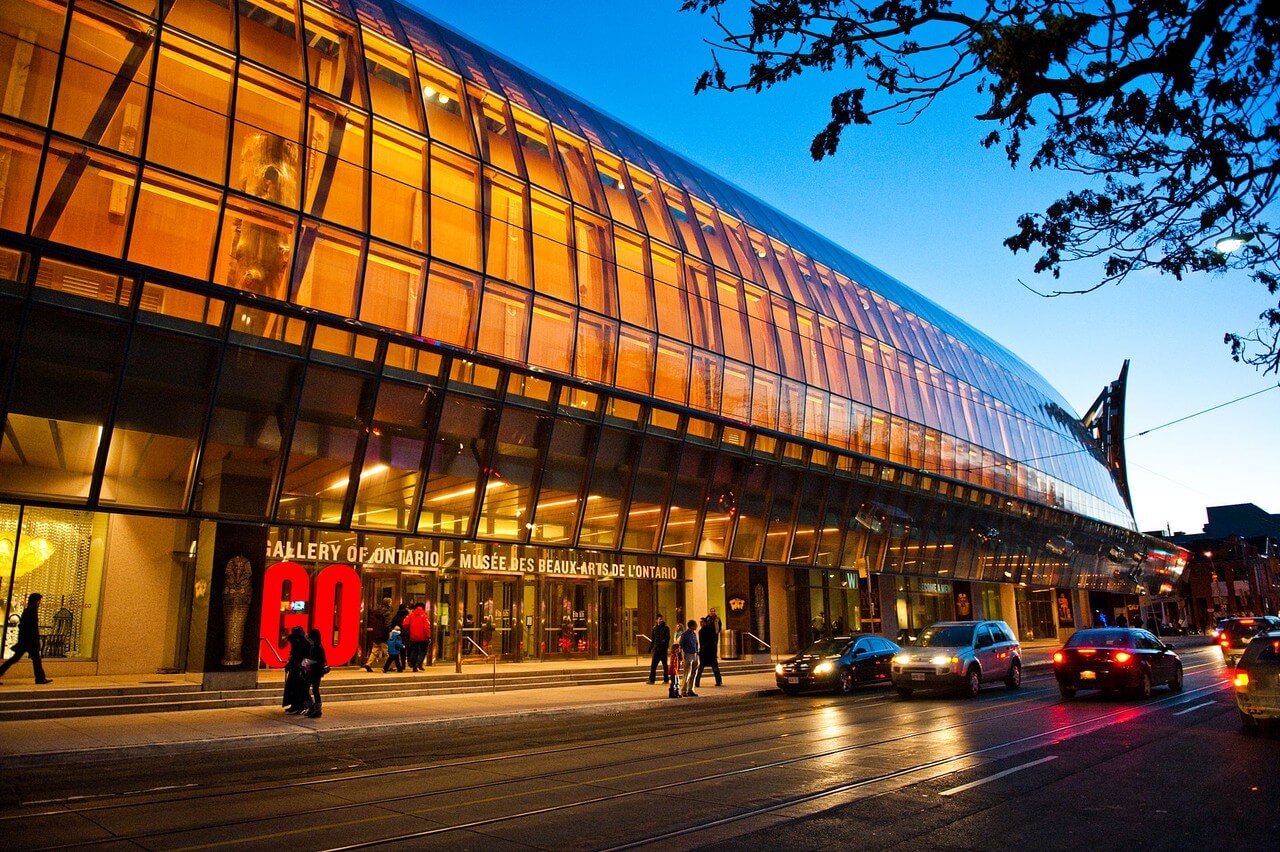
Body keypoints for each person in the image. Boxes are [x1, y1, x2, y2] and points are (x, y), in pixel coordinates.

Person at [0, 592, 51, 684]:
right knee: (34, 660)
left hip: (27, 641)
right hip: (29, 641)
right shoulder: (30, 612)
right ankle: (40, 678)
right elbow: (27, 627)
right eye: (39, 601)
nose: (39, 603)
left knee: (29, 659)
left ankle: (40, 678)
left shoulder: (30, 611)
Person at [282, 626, 309, 714]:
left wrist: (304, 668)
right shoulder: (297, 643)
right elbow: (293, 657)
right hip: (295, 667)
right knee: (293, 687)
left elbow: (307, 658)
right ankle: (294, 705)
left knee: (299, 688)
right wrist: (289, 665)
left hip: (301, 669)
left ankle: (301, 705)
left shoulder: (304, 644)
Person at [302, 627, 327, 718]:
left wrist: (307, 662)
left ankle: (316, 709)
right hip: (312, 671)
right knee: (308, 689)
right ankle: (313, 707)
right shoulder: (314, 647)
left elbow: (319, 661)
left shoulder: (318, 648)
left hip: (315, 671)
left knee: (314, 689)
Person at [363, 597, 393, 672]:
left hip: (376, 634)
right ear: (388, 604)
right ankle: (388, 666)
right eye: (390, 602)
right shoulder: (387, 613)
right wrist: (390, 631)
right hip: (383, 634)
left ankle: (368, 664)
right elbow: (387, 625)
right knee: (387, 651)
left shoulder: (376, 612)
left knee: (375, 649)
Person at [696, 616, 723, 688]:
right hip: (707, 652)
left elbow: (710, 641)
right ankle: (697, 682)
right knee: (702, 667)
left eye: (702, 622)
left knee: (711, 667)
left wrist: (703, 649)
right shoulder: (702, 631)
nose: (700, 624)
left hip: (709, 651)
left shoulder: (708, 631)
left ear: (705, 623)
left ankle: (718, 681)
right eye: (700, 622)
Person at [404, 603, 431, 671]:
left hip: (413, 636)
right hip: (423, 637)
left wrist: (408, 630)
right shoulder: (424, 616)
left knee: (414, 650)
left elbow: (405, 624)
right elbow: (427, 627)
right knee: (423, 650)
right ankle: (419, 663)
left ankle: (414, 666)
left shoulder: (411, 615)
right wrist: (428, 636)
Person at [647, 614, 671, 684]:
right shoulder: (654, 628)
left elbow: (667, 638)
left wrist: (663, 643)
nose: (660, 620)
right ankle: (652, 680)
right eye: (659, 619)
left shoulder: (666, 628)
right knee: (653, 665)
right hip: (656, 649)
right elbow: (653, 639)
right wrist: (650, 648)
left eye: (661, 619)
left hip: (663, 649)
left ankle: (666, 679)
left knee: (664, 665)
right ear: (656, 620)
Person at [680, 619, 700, 696]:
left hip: (695, 654)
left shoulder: (694, 634)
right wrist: (682, 656)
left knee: (694, 673)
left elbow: (696, 643)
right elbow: (681, 646)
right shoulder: (685, 635)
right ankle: (683, 690)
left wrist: (697, 652)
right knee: (687, 673)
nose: (696, 626)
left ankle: (690, 689)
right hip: (687, 654)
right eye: (695, 625)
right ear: (692, 626)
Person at [391, 602, 410, 670]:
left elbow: (392, 626)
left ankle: (398, 665)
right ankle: (403, 665)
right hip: (406, 635)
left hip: (398, 635)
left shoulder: (396, 617)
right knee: (403, 651)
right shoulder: (408, 617)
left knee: (396, 650)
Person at [668, 623, 684, 699]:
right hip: (674, 671)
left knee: (677, 682)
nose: (677, 627)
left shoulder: (677, 656)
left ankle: (676, 692)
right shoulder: (674, 656)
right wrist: (674, 670)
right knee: (674, 682)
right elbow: (673, 664)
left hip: (676, 671)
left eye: (678, 626)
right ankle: (673, 693)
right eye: (676, 626)